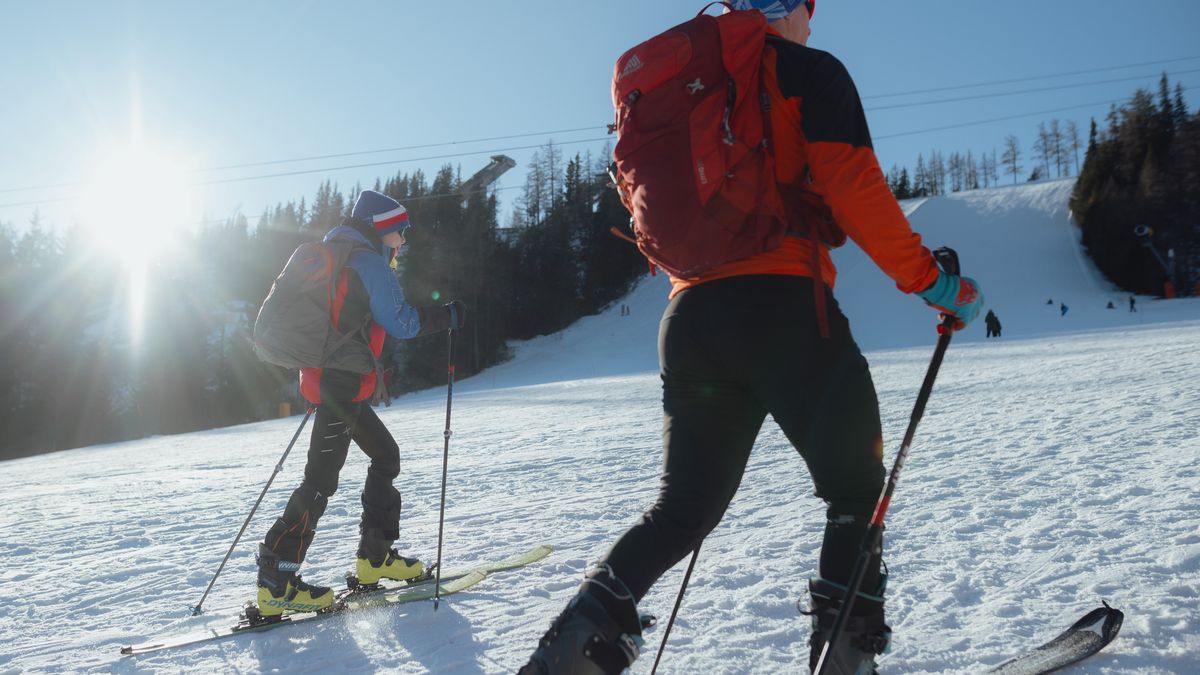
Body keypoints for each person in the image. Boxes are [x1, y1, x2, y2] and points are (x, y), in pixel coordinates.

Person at [520, 2, 984, 674]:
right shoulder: (807, 72)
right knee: (855, 486)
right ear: (793, 10)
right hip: (783, 310)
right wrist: (935, 285)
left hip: (689, 320)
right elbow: (856, 189)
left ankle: (566, 659)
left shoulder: (687, 89)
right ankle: (846, 663)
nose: (811, 23)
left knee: (681, 509)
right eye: (808, 9)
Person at [255, 190, 465, 617]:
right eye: (400, 231)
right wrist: (448, 316)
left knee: (386, 456)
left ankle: (374, 560)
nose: (403, 241)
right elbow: (402, 322)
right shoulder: (367, 261)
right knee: (319, 483)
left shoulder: (338, 251)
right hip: (341, 386)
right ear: (383, 227)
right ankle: (278, 581)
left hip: (329, 381)